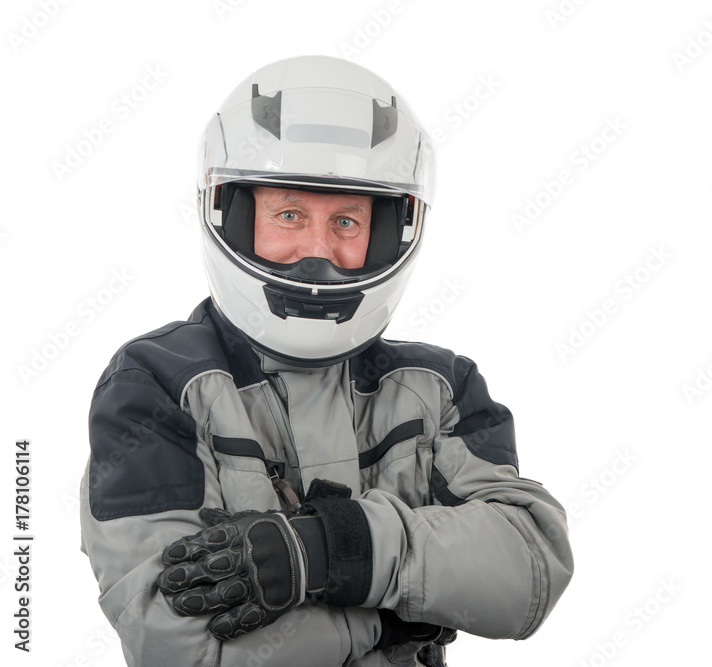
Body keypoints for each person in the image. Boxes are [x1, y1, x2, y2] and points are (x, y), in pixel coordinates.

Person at [79, 55, 573, 667]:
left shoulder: (438, 388)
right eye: (289, 214)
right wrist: (394, 625)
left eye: (346, 220)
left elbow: (527, 571)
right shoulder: (156, 385)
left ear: (389, 231)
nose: (318, 252)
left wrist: (332, 551)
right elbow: (176, 646)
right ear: (233, 217)